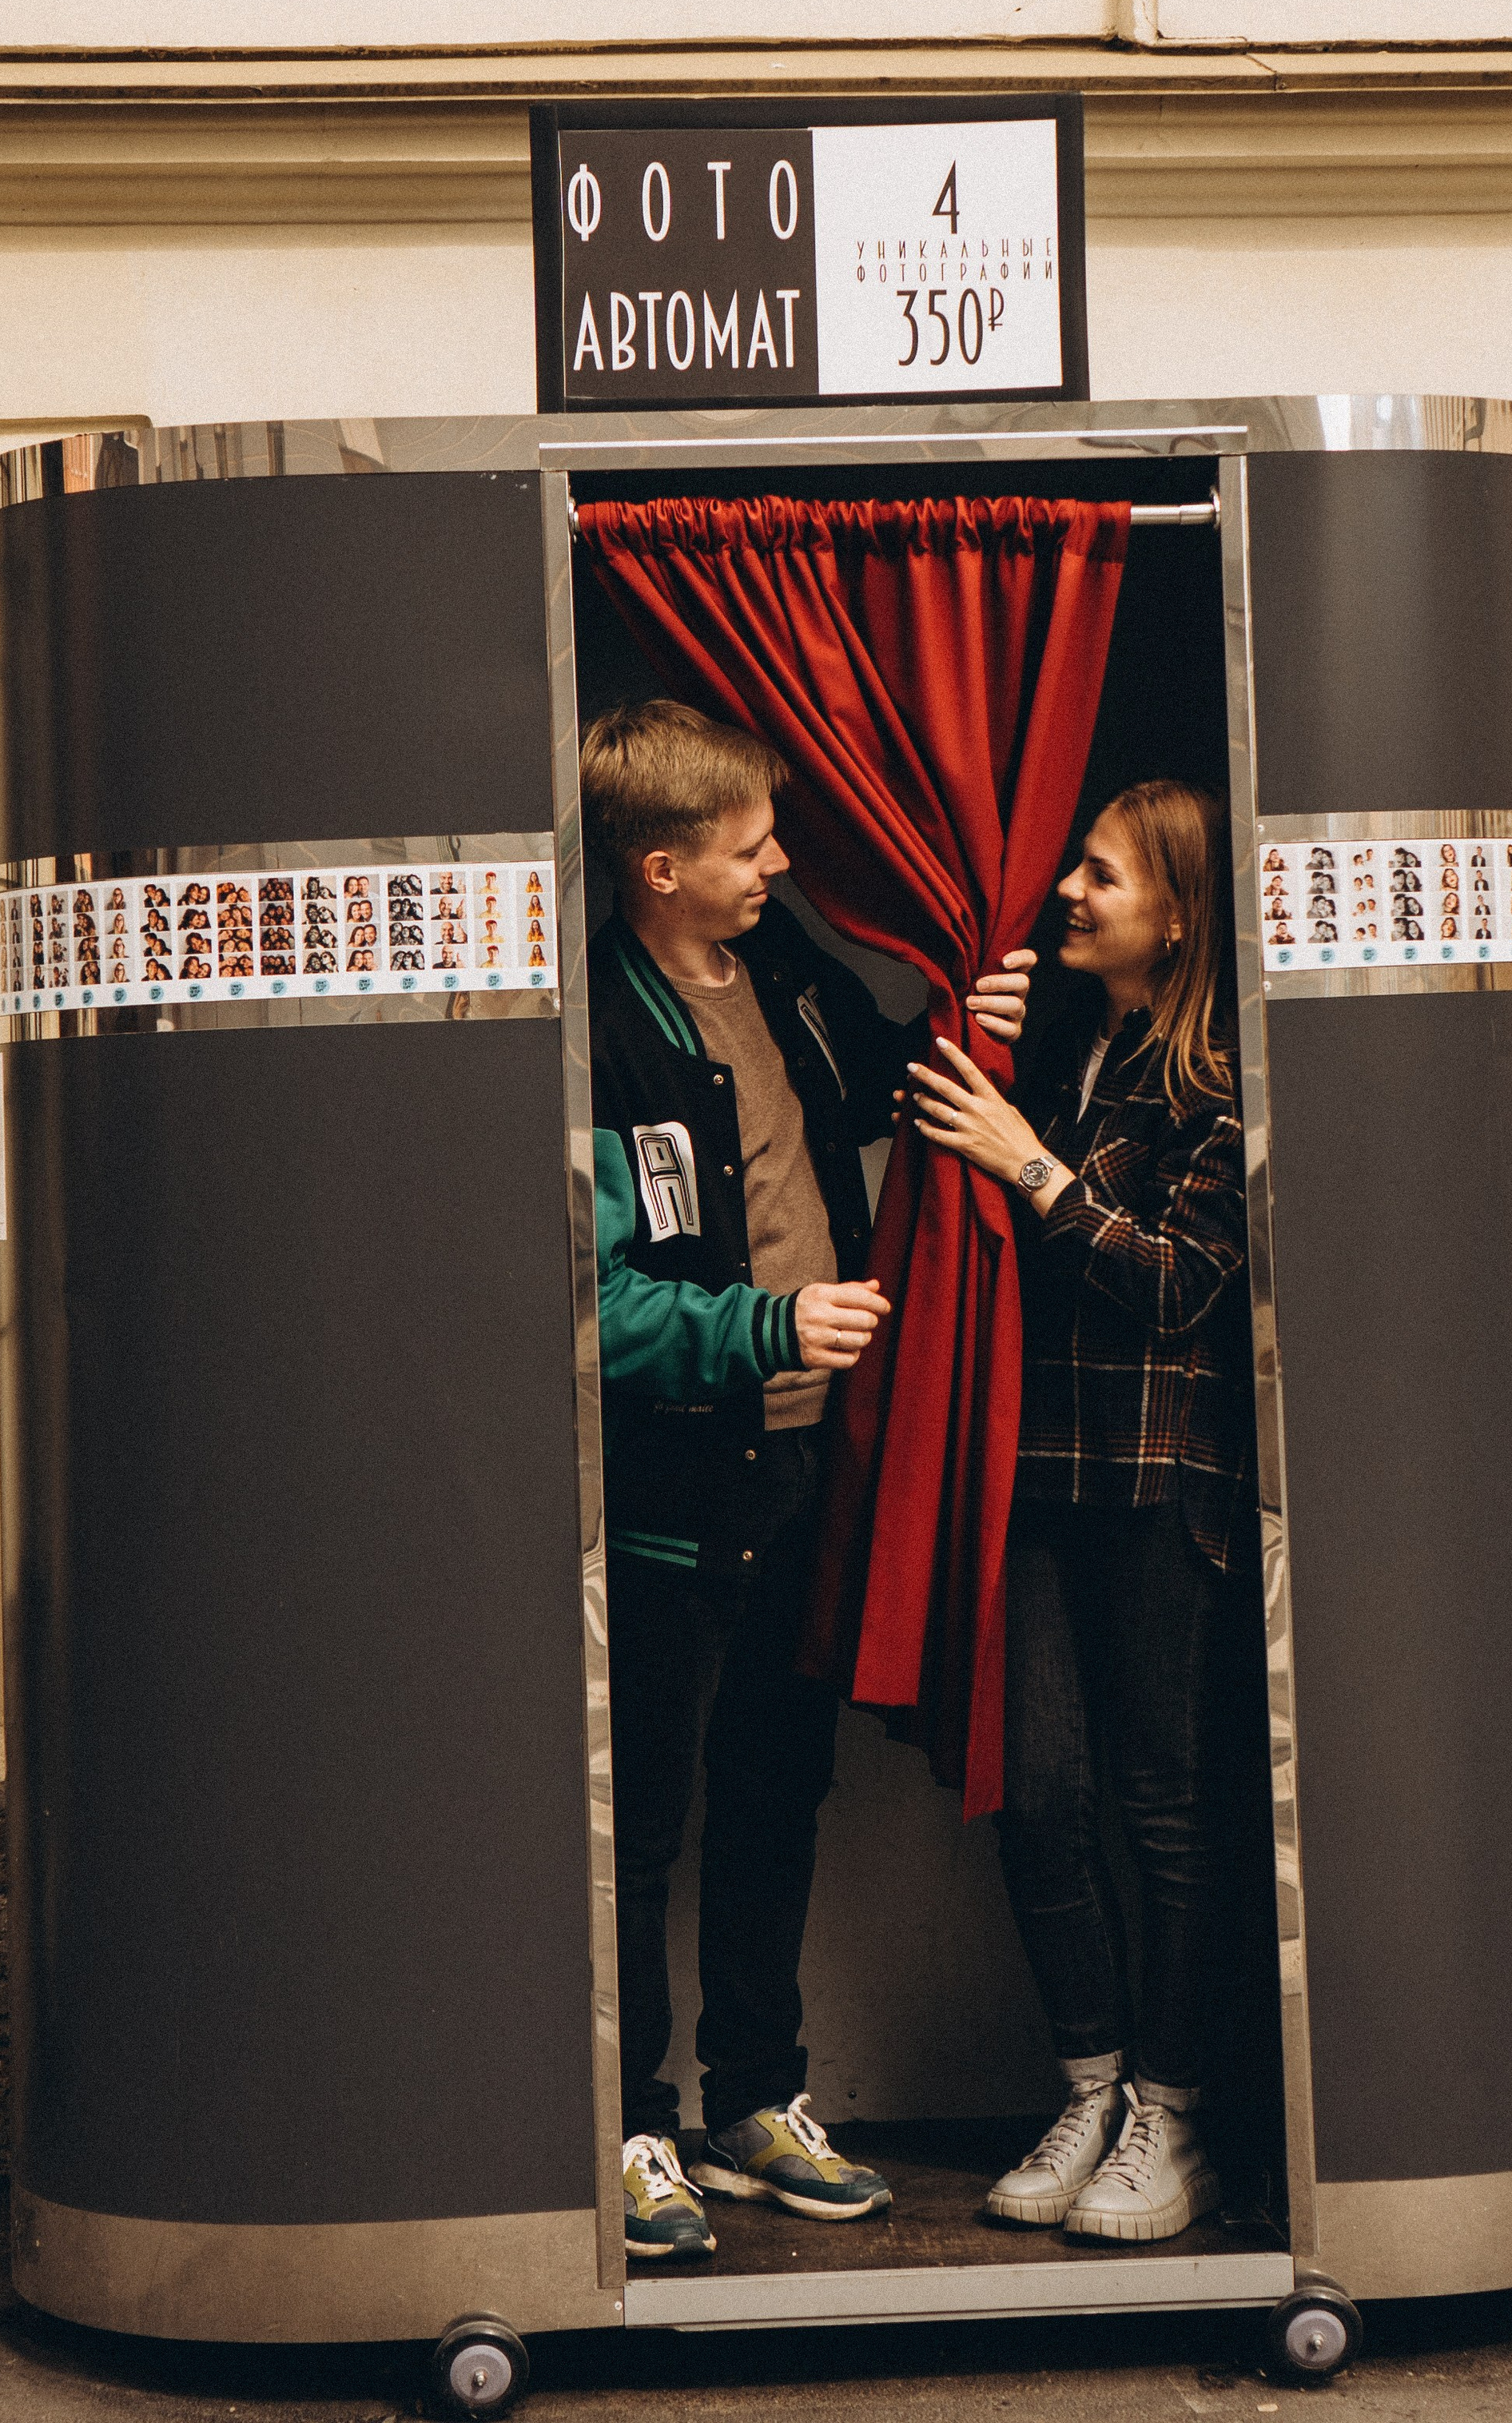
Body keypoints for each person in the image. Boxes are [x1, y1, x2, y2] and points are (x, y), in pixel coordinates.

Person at [582, 698, 1033, 2260]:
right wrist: (763, 1322)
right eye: (746, 844)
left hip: (798, 1473)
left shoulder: (772, 967)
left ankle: (753, 2101)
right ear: (656, 870)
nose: (781, 860)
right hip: (664, 1492)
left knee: (777, 1794)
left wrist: (983, 1012)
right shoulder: (593, 1024)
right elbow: (578, 1303)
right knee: (636, 1825)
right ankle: (628, 2127)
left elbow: (888, 1085)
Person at [905, 780, 1254, 2246]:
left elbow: (1186, 1282)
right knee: (1036, 1794)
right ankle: (1093, 2085)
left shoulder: (1223, 1079)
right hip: (1036, 1474)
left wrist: (1031, 1169)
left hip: (1161, 1484)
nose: (1066, 894)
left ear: (1175, 913)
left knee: (1164, 1813)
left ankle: (1173, 2117)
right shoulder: (1067, 1043)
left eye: (1098, 879)